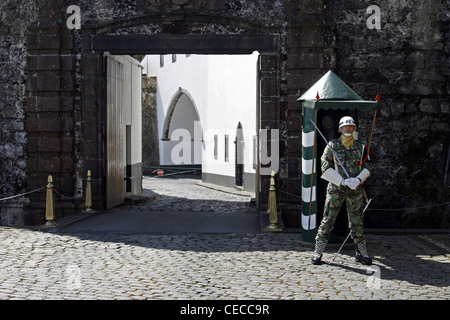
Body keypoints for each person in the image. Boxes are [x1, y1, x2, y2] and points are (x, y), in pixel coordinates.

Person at [311, 116, 372, 265]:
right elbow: (325, 167)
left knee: (357, 221)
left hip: (355, 190)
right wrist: (342, 181)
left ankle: (361, 252)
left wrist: (358, 180)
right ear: (340, 129)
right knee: (328, 220)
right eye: (345, 126)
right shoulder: (332, 146)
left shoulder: (361, 147)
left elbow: (367, 166)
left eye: (351, 126)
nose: (348, 129)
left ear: (354, 128)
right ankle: (318, 252)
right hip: (336, 189)